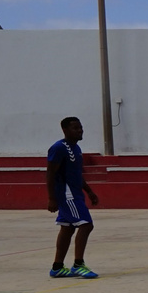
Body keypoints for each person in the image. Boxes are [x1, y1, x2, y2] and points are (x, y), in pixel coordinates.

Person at [46, 116, 100, 279]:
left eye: (80, 127)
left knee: (68, 228)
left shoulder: (76, 149)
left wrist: (89, 191)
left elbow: (76, 173)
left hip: (76, 192)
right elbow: (50, 173)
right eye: (75, 128)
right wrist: (52, 198)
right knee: (86, 225)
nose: (80, 130)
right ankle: (78, 264)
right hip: (66, 193)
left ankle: (57, 267)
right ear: (65, 130)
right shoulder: (59, 148)